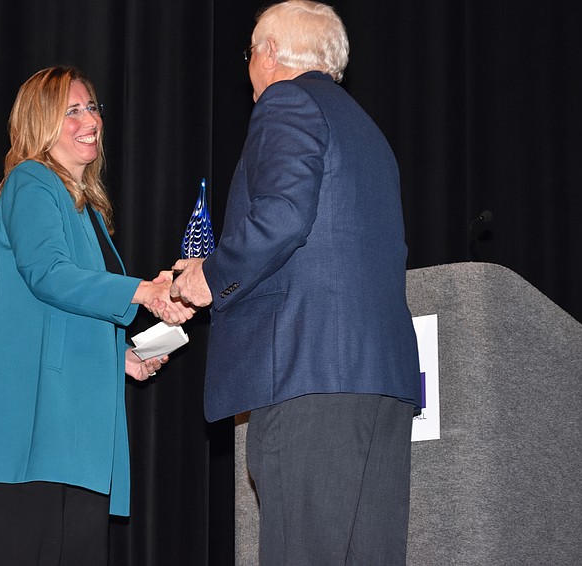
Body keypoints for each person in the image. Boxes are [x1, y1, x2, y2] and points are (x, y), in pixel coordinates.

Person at [170, 2, 422, 564]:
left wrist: (210, 276)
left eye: (251, 51)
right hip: (380, 382)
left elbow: (283, 215)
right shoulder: (366, 129)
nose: (249, 67)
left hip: (309, 374)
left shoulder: (287, 101)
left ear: (271, 52)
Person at [0, 65, 194, 566]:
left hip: (73, 417)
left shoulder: (87, 208)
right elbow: (48, 275)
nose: (90, 120)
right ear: (39, 125)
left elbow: (67, 308)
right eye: (71, 111)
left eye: (92, 107)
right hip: (32, 413)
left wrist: (123, 356)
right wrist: (144, 291)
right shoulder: (31, 181)